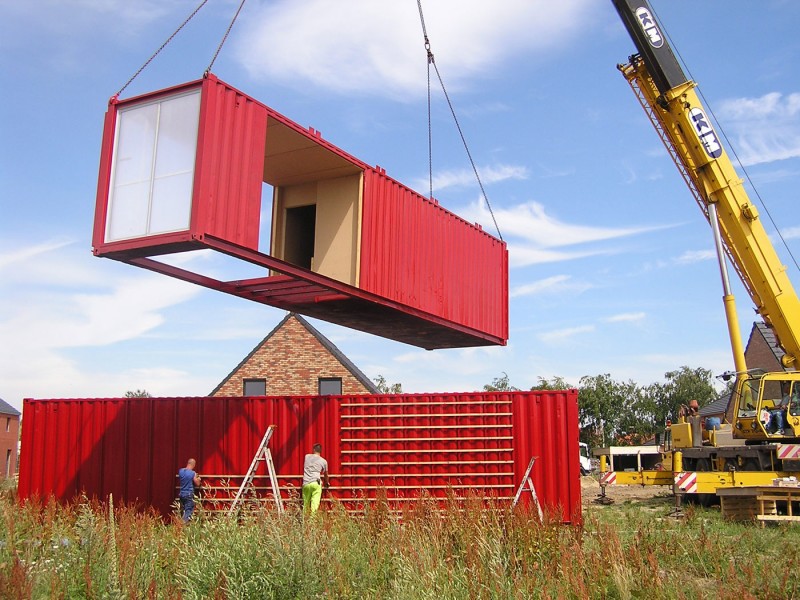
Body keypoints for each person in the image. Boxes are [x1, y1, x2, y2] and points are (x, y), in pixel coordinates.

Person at [302, 443, 329, 515]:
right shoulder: (324, 461)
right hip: (316, 483)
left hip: (306, 483)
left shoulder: (307, 457)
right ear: (321, 451)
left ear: (313, 450)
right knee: (314, 506)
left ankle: (305, 523)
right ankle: (312, 523)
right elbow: (326, 474)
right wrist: (327, 483)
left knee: (306, 505)